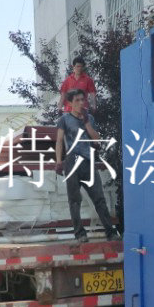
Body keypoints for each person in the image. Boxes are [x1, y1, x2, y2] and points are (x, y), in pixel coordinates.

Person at [55, 88, 119, 243]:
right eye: (77, 100)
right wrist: (58, 161)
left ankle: (110, 232)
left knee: (99, 198)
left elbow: (97, 140)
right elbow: (59, 141)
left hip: (89, 161)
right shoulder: (64, 119)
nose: (80, 103)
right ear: (70, 103)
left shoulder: (89, 118)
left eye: (82, 100)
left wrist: (87, 123)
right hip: (72, 161)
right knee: (74, 200)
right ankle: (80, 233)